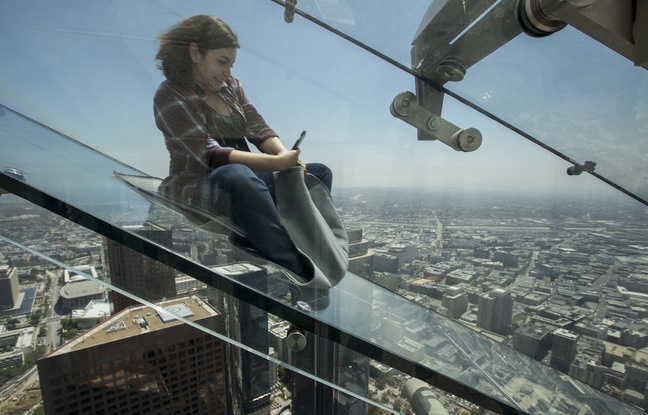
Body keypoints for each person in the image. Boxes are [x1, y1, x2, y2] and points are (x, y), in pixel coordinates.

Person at [154, 15, 332, 283]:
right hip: (201, 186)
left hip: (247, 177)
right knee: (236, 175)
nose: (228, 72)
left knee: (318, 174)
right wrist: (276, 164)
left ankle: (294, 237)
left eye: (231, 64)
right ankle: (295, 265)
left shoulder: (231, 86)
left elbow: (257, 126)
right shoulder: (169, 95)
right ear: (194, 53)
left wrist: (287, 158)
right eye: (222, 62)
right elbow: (211, 155)